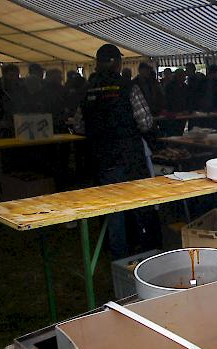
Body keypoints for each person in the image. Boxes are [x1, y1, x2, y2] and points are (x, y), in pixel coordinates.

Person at [74, 44, 160, 259]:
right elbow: (145, 122)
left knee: (113, 210)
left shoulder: (87, 89)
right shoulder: (128, 87)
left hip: (101, 158)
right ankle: (146, 252)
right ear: (117, 63)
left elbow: (79, 126)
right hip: (129, 157)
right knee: (140, 204)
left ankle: (119, 255)